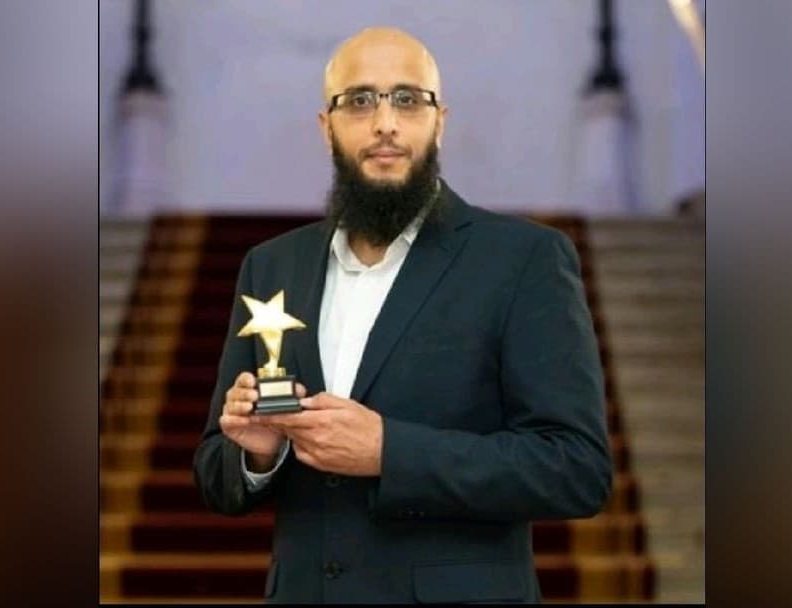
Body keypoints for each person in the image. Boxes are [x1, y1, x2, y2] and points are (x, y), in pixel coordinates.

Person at [192, 26, 611, 604]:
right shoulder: (271, 266)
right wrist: (259, 454)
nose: (385, 123)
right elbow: (216, 474)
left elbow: (576, 469)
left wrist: (390, 452)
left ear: (440, 122)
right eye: (359, 100)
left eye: (408, 99)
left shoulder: (523, 260)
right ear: (326, 127)